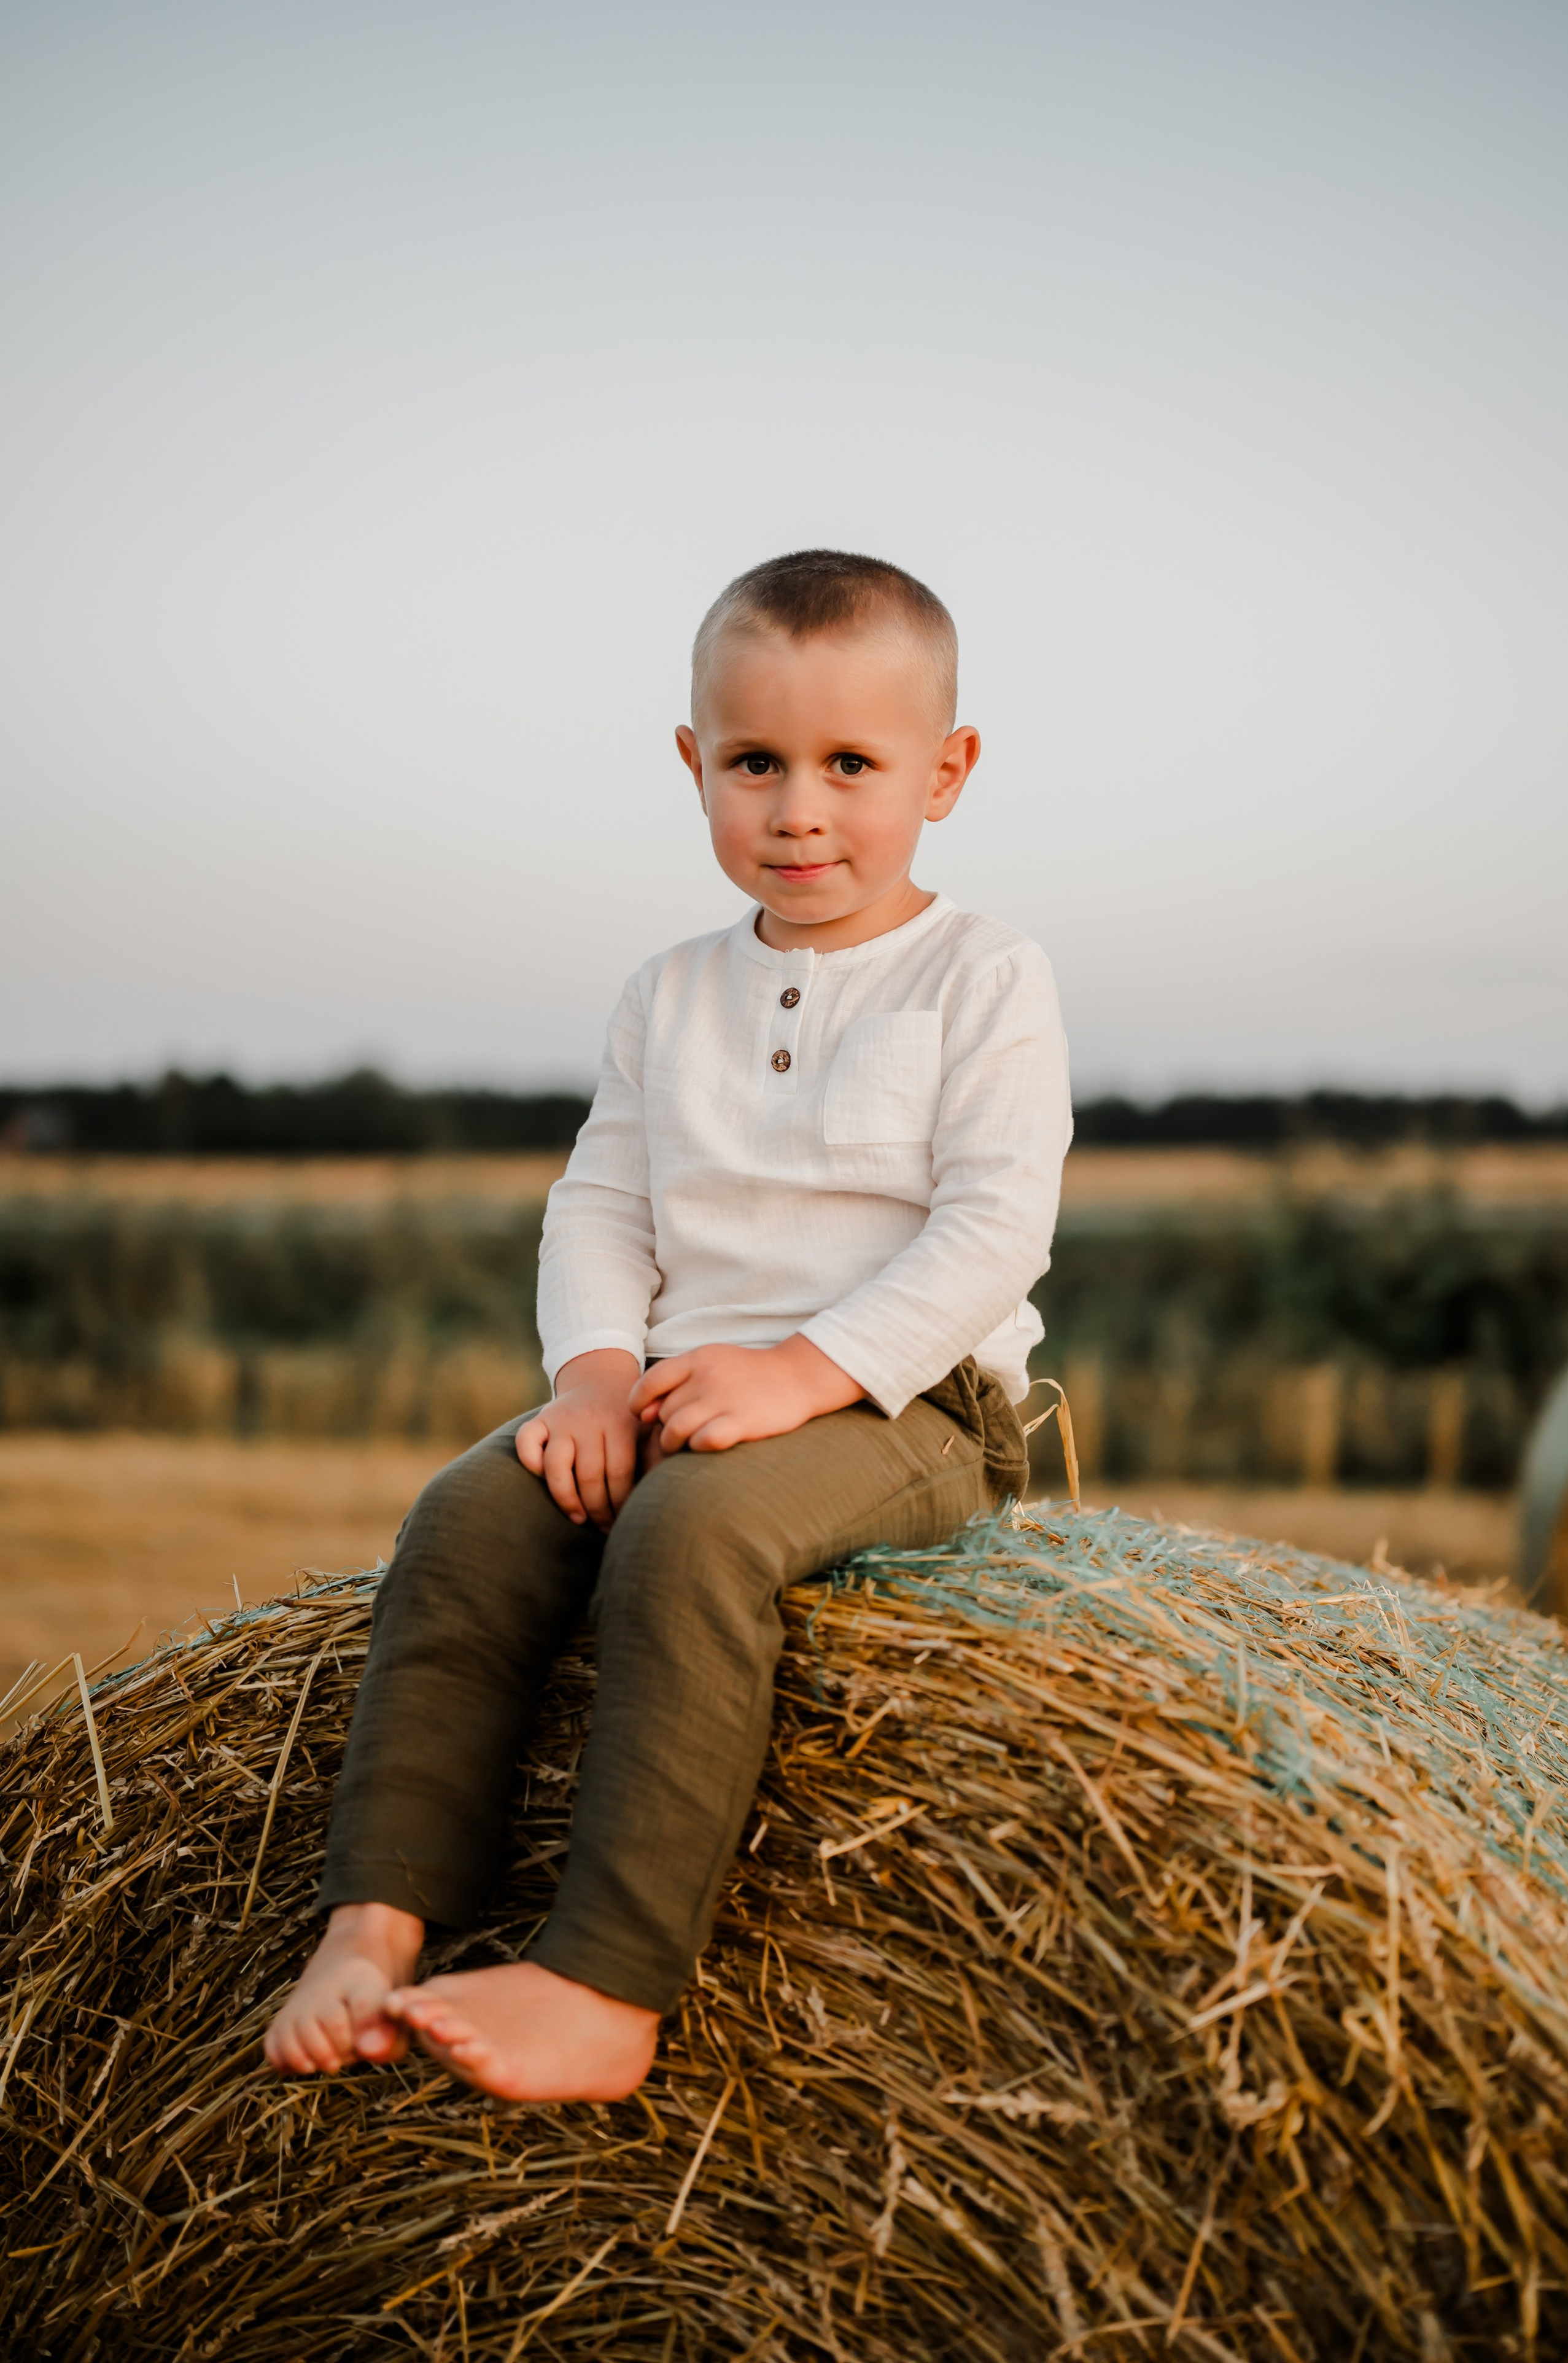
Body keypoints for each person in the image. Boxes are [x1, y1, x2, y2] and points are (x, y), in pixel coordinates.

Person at [263, 548, 1073, 2102]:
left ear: (945, 772)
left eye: (850, 765)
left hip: (909, 1406)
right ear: (694, 763)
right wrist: (589, 1378)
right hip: (672, 1387)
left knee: (688, 1535)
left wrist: (801, 1371)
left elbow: (990, 1232)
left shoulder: (981, 976)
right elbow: (600, 1203)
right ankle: (374, 1921)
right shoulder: (667, 992)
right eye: (755, 763)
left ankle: (604, 1983)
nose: (799, 810)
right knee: (469, 1518)